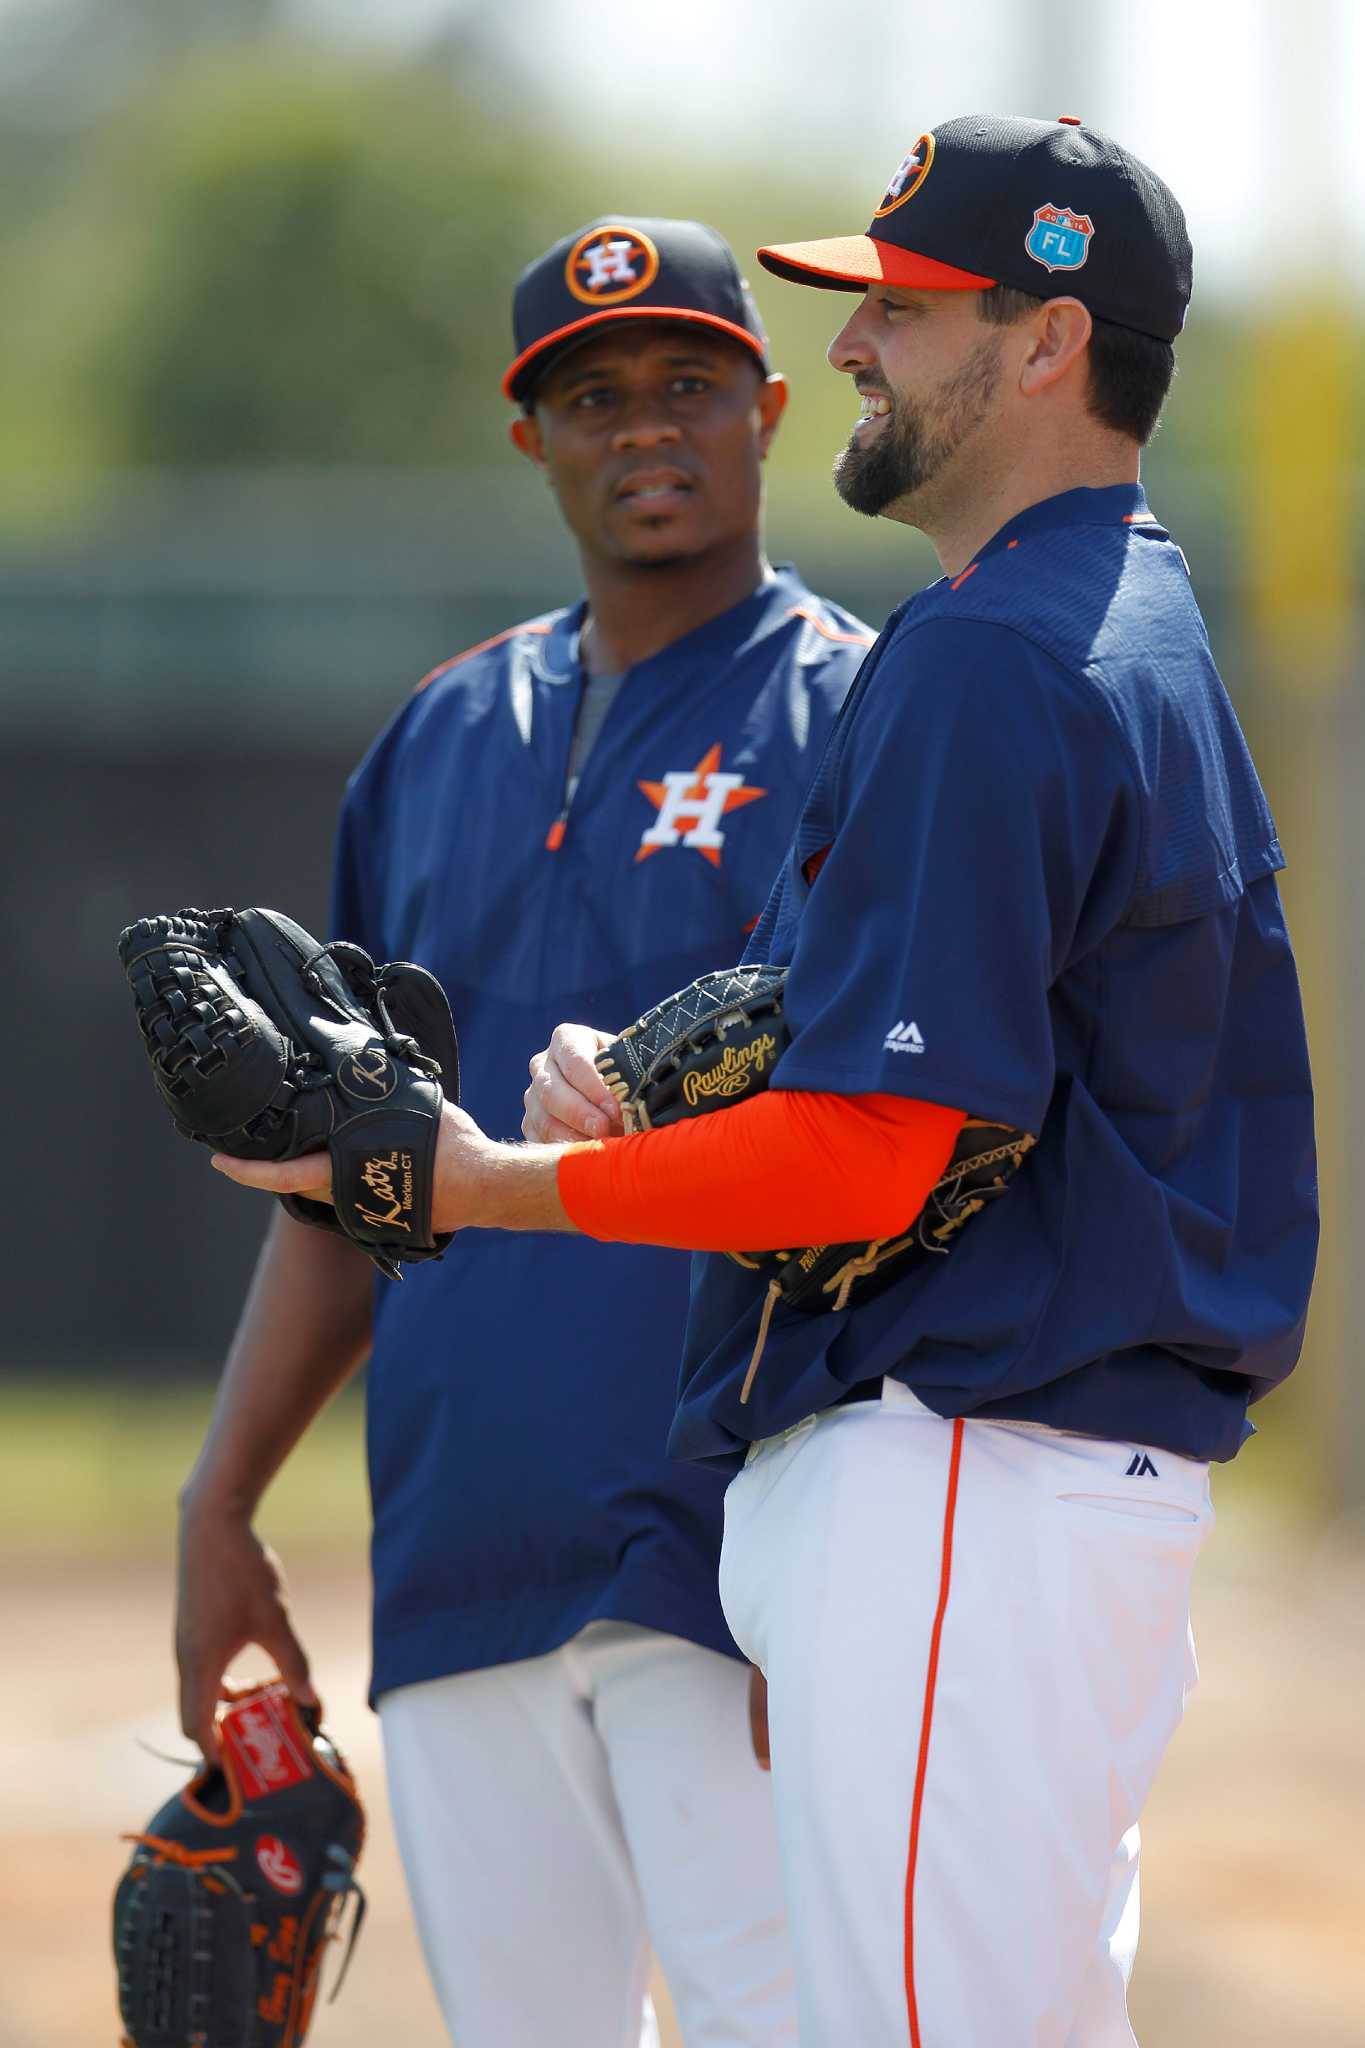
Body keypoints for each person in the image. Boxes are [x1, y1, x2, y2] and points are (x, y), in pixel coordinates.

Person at [217, 120, 1320, 2047]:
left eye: (896, 304)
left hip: (966, 1459)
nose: (859, 346)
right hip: (1006, 1479)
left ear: (1045, 341)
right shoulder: (1108, 625)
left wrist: (489, 1186)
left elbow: (878, 1150)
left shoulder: (984, 659)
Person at [178, 216, 874, 2048]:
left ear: (767, 405)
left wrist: (850, 1573)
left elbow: (905, 1157)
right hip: (463, 1543)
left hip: (724, 1557)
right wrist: (221, 1494)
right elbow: (346, 1179)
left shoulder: (857, 712)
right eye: (591, 396)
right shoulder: (430, 741)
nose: (643, 427)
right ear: (530, 438)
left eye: (685, 384)